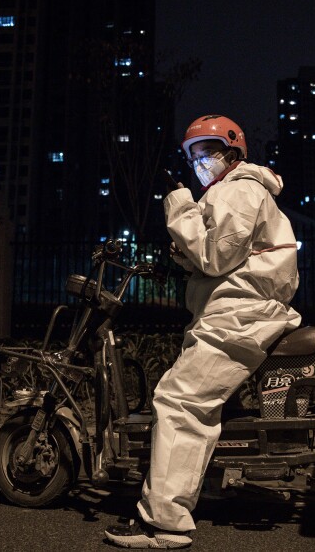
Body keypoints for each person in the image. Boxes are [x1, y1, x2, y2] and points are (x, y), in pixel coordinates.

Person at [105, 115, 301, 548]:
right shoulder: (230, 192)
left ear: (232, 153)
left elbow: (214, 256)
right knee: (201, 403)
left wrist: (179, 204)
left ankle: (165, 523)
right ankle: (205, 487)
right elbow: (214, 256)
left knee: (179, 401)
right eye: (193, 156)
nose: (198, 163)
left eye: (205, 153)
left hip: (241, 315)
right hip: (232, 311)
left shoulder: (241, 189)